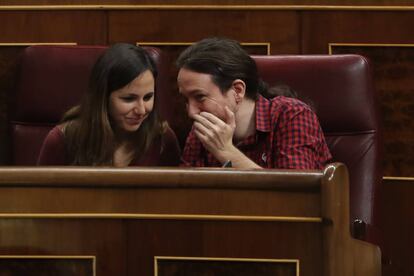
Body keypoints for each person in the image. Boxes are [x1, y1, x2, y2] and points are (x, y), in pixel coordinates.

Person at [176, 37, 331, 169]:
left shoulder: (292, 115)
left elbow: (294, 195)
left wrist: (225, 151)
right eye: (186, 99)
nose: (191, 112)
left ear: (237, 90)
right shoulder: (203, 129)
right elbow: (186, 196)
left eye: (200, 97)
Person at [37, 43, 180, 167]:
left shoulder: (163, 139)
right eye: (129, 99)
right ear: (103, 97)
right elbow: (40, 196)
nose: (141, 110)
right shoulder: (63, 139)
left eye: (148, 97)